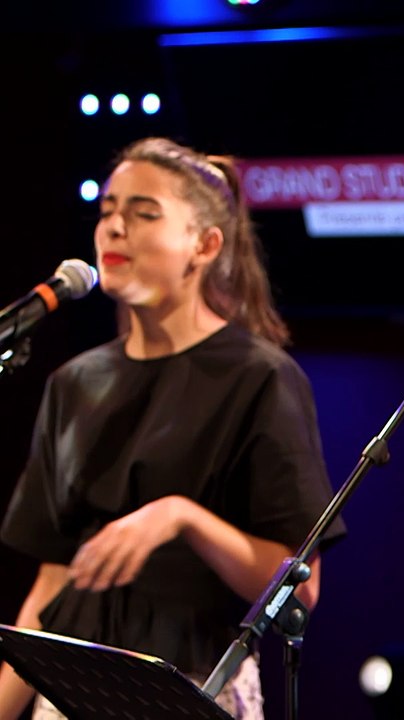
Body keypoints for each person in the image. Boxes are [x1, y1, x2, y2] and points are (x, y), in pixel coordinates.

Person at [0, 137, 346, 720]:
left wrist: (181, 518)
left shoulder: (258, 378)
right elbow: (54, 582)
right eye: (108, 211)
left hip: (191, 686)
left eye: (143, 214)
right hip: (65, 689)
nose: (114, 228)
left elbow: (300, 587)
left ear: (204, 245)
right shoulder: (74, 383)